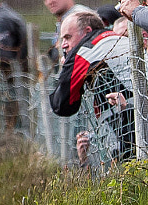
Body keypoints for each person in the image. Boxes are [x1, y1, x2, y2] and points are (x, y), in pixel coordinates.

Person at [50, 10, 136, 167]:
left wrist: (67, 68)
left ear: (87, 32)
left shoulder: (86, 49)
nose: (63, 45)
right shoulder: (115, 38)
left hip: (137, 118)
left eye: (68, 37)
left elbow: (62, 105)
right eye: (62, 39)